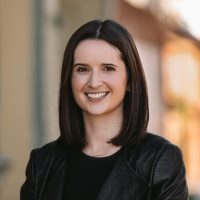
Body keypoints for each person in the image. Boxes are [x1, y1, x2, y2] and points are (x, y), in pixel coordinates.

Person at [20, 19, 188, 200]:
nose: (94, 82)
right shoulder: (42, 163)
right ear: (70, 79)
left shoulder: (161, 161)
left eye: (108, 68)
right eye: (82, 69)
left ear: (130, 79)